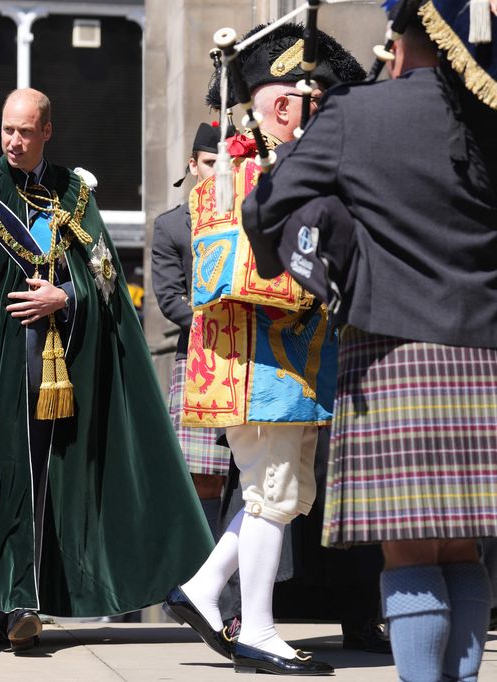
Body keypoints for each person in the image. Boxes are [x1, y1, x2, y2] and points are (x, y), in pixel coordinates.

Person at [242, 2, 497, 679]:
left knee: (410, 553)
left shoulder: (357, 115)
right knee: (460, 550)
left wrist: (299, 195)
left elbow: (267, 208)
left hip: (392, 349)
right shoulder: (491, 117)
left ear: (401, 42)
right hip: (484, 349)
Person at [0, 88, 213, 651]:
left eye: (25, 131)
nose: (14, 141)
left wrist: (64, 295)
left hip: (65, 367)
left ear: (47, 132)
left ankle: (30, 600)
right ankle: (12, 603)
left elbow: (107, 276)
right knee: (9, 476)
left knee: (53, 484)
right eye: (6, 129)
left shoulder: (75, 190)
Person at [162, 23, 365, 675]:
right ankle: (259, 629)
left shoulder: (253, 164)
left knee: (276, 491)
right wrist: (326, 282)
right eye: (316, 101)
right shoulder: (250, 168)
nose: (323, 114)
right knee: (274, 489)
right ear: (284, 104)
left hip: (277, 364)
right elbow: (234, 273)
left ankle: (200, 592)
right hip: (262, 367)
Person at [151, 121, 234, 535]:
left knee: (249, 480)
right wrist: (219, 322)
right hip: (201, 356)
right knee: (202, 478)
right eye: (210, 162)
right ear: (193, 165)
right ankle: (197, 583)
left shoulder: (252, 218)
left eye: (229, 162)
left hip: (251, 359)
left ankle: (235, 593)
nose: (220, 169)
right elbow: (169, 298)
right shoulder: (171, 226)